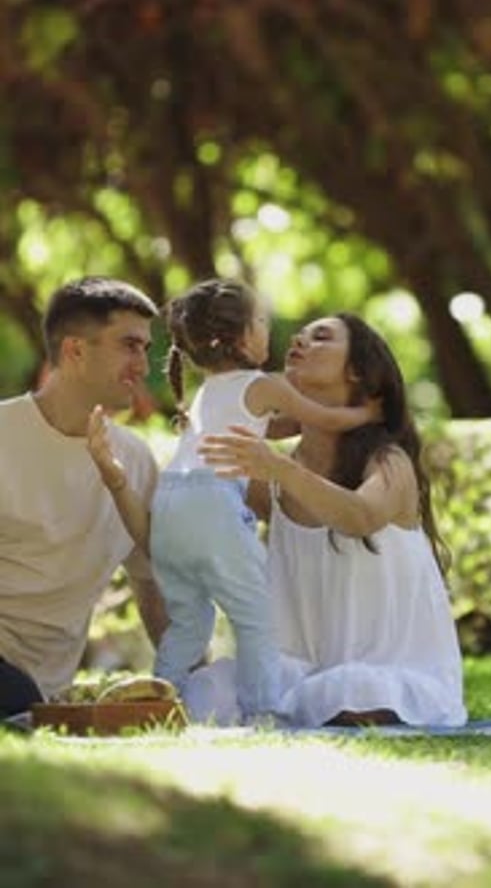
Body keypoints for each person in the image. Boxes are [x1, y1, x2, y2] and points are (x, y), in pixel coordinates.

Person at [87, 279, 379, 721]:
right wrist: (373, 411)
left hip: (170, 504)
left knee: (189, 624)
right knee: (255, 614)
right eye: (261, 320)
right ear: (242, 337)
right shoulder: (266, 384)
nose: (270, 329)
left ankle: (155, 703)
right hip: (212, 503)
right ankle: (264, 711)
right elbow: (325, 419)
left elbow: (269, 428)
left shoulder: (209, 390)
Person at [191, 311, 467, 727]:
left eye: (320, 337)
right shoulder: (278, 473)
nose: (299, 341)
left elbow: (361, 516)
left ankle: (279, 712)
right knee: (207, 688)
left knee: (350, 690)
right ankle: (283, 708)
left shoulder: (388, 461)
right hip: (302, 673)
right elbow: (202, 471)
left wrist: (280, 468)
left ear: (357, 372)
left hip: (390, 676)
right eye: (299, 336)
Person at [0, 276, 168, 720]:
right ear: (75, 351)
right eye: (129, 346)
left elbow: (151, 587)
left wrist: (189, 679)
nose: (143, 365)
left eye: (144, 349)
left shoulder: (135, 460)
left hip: (40, 695)